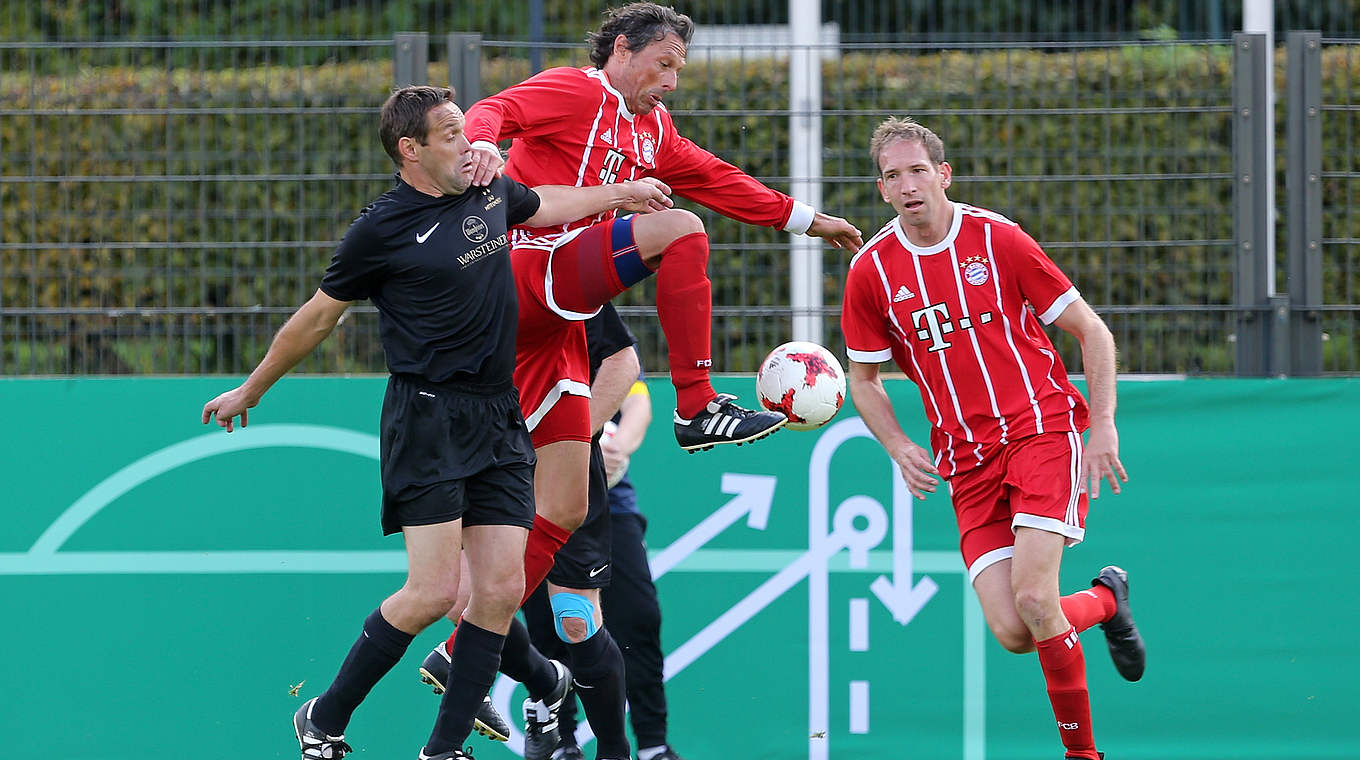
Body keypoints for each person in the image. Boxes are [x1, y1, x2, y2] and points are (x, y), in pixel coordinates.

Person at [424, 5, 862, 757]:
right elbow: (498, 108)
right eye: (661, 64)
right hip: (511, 271)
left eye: (679, 69)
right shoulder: (575, 90)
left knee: (561, 502)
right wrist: (486, 146)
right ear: (621, 50)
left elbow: (718, 178)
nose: (670, 80)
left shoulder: (651, 132)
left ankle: (467, 645)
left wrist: (808, 220)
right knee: (681, 232)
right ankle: (697, 408)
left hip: (553, 321)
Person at [199, 85, 672, 760]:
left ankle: (442, 748)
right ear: (410, 151)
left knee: (501, 589)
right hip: (426, 421)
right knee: (432, 593)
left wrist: (623, 196)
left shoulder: (490, 190)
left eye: (464, 129)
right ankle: (324, 716)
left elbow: (550, 205)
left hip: (498, 417)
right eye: (450, 134)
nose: (469, 142)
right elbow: (318, 317)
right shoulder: (381, 229)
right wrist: (253, 387)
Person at [840, 116, 1145, 760]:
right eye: (894, 177)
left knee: (1035, 597)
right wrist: (897, 445)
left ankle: (1082, 754)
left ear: (942, 174)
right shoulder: (872, 271)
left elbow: (1093, 332)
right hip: (966, 462)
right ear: (882, 191)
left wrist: (1105, 423)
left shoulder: (995, 239)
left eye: (918, 170)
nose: (909, 185)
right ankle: (1105, 599)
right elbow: (861, 379)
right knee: (1013, 629)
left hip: (1041, 430)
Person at [550, 361, 685, 760]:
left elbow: (638, 401)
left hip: (611, 506)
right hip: (538, 502)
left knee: (640, 618)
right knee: (555, 624)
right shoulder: (519, 323)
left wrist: (615, 449)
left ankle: (653, 745)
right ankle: (563, 743)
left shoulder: (600, 327)